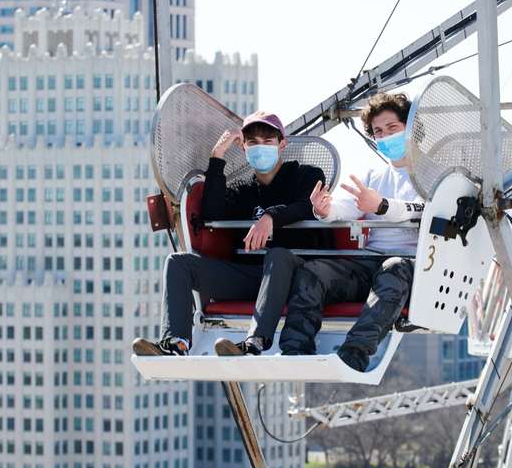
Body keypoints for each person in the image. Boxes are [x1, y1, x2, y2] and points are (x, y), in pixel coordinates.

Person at [132, 110, 327, 358]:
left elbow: (308, 206)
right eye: (253, 143)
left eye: (268, 142)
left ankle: (256, 341)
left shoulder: (307, 175)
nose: (261, 148)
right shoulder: (244, 191)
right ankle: (176, 341)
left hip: (295, 276)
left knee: (277, 255)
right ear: (244, 148)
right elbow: (212, 212)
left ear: (282, 145)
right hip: (251, 275)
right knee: (178, 263)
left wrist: (271, 218)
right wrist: (218, 155)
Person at [280, 93, 424, 371]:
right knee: (313, 272)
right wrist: (326, 210)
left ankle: (353, 355)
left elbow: (421, 209)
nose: (385, 137)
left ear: (410, 128)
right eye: (379, 132)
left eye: (392, 128)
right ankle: (295, 351)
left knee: (393, 269)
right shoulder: (374, 175)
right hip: (370, 263)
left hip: (410, 266)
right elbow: (349, 205)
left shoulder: (430, 174)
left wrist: (381, 206)